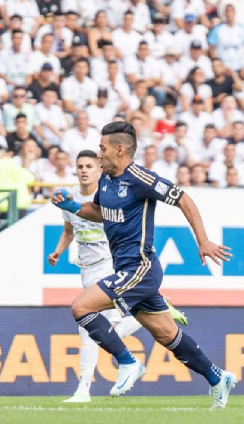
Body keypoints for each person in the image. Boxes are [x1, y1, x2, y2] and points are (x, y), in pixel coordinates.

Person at [51, 122, 235, 407]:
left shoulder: (140, 178)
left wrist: (203, 240)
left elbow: (184, 199)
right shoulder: (107, 180)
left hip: (140, 267)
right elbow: (100, 211)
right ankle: (217, 378)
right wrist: (73, 206)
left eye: (102, 148)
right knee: (166, 334)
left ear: (119, 149)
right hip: (125, 269)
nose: (99, 155)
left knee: (81, 307)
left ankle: (127, 362)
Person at [48, 150, 187, 403]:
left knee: (87, 327)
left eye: (89, 165)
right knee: (104, 330)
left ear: (99, 169)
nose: (84, 170)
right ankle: (158, 307)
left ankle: (83, 390)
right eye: (80, 166)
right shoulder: (70, 198)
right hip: (86, 267)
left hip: (109, 264)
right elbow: (69, 231)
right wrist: (58, 251)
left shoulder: (108, 194)